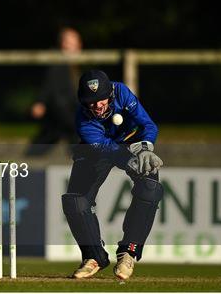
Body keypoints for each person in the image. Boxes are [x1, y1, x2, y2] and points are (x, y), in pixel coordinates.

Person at [62, 70, 164, 280]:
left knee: (150, 189)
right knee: (75, 201)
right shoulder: (84, 122)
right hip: (99, 148)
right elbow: (106, 149)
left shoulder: (121, 92)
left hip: (132, 142)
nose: (98, 106)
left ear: (110, 95)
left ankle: (128, 253)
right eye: (91, 102)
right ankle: (93, 256)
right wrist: (128, 161)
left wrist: (145, 148)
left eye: (101, 100)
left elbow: (148, 125)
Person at [26, 27, 82, 155]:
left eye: (72, 43)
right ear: (61, 44)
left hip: (66, 112)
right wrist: (40, 101)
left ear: (79, 45)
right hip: (60, 109)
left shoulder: (76, 65)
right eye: (66, 42)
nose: (69, 46)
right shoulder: (57, 64)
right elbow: (49, 84)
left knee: (57, 134)